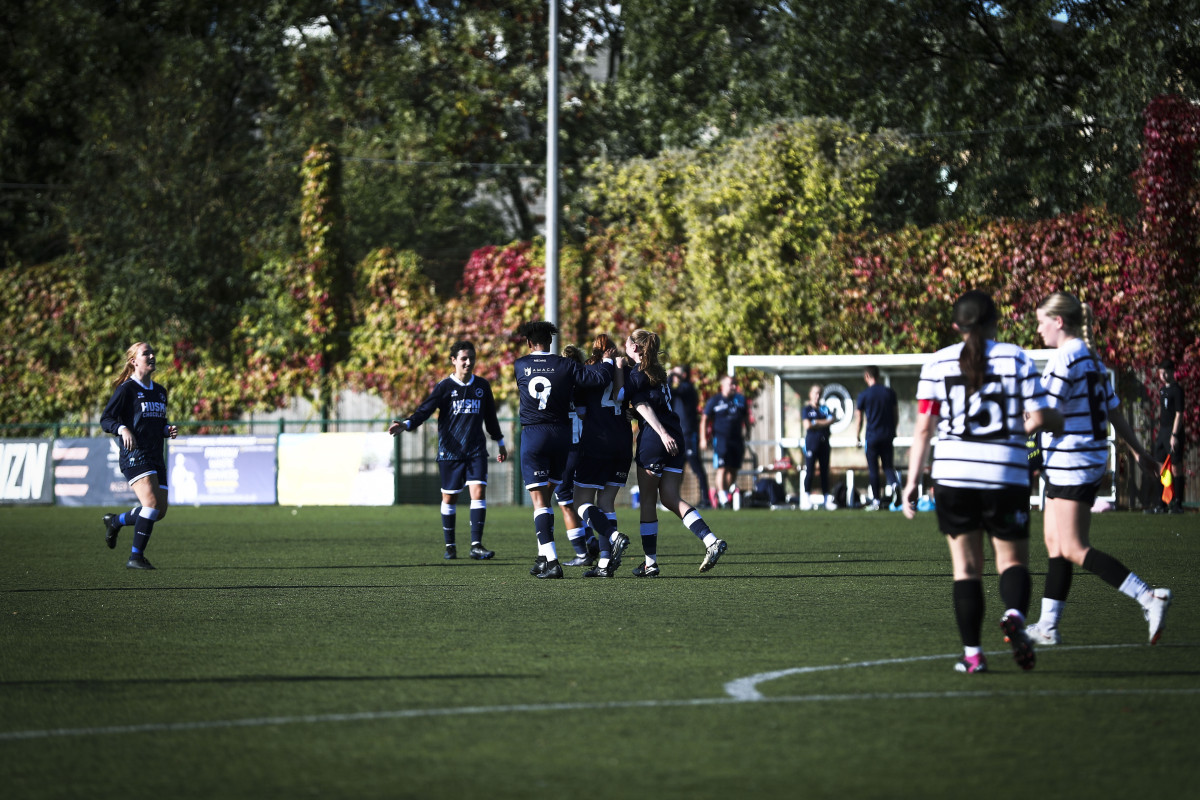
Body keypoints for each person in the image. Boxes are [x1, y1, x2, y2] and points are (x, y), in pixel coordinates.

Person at [901, 291, 1061, 674]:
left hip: (953, 476)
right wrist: (1061, 420)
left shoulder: (936, 363)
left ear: (956, 326)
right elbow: (1040, 416)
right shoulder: (1016, 357)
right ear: (995, 323)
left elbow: (924, 429)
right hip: (1005, 473)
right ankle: (1014, 617)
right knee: (1013, 562)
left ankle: (972, 655)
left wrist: (911, 482)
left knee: (966, 569)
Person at [1024, 292, 1173, 646]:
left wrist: (1004, 434)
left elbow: (1044, 414)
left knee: (1074, 547)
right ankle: (1047, 626)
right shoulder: (1089, 357)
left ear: (1059, 322)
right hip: (1079, 460)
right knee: (1055, 544)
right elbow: (1114, 410)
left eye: (1042, 321)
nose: (1039, 328)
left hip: (1072, 461)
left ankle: (1149, 598)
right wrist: (1138, 453)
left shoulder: (1066, 359)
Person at [514, 321, 616, 579]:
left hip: (534, 433)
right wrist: (606, 360)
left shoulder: (520, 365)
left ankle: (552, 561)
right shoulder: (566, 365)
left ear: (528, 343)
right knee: (548, 498)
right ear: (551, 341)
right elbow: (598, 379)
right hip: (561, 436)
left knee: (539, 502)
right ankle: (542, 557)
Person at [389, 339, 507, 561]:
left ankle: (476, 545)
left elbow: (490, 418)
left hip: (476, 451)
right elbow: (425, 410)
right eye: (463, 358)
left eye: (471, 358)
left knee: (478, 493)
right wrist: (406, 424)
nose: (468, 362)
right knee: (449, 499)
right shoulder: (444, 387)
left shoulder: (482, 386)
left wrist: (500, 442)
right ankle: (450, 545)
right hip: (450, 452)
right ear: (453, 361)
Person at [625, 329, 727, 576]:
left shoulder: (636, 374)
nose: (625, 346)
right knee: (670, 497)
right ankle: (710, 540)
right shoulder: (659, 372)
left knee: (648, 502)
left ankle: (650, 563)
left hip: (656, 439)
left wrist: (659, 433)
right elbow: (650, 405)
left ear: (636, 349)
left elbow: (642, 404)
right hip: (676, 436)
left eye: (627, 343)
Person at [100, 342, 179, 570]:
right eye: (146, 353)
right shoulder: (126, 390)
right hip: (135, 455)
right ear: (134, 361)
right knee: (151, 505)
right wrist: (122, 428)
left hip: (156, 456)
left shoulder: (160, 391)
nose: (152, 356)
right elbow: (106, 419)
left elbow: (157, 424)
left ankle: (115, 521)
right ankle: (136, 557)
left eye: (153, 352)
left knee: (158, 512)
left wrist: (167, 430)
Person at [572, 334, 635, 578]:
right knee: (606, 502)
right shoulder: (626, 371)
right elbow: (628, 398)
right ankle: (605, 563)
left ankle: (613, 536)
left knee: (580, 503)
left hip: (597, 444)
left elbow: (581, 413)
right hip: (622, 443)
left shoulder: (589, 373)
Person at [555, 344, 600, 567]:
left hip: (567, 449)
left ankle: (582, 553)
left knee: (565, 501)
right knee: (582, 500)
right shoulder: (585, 385)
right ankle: (591, 538)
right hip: (586, 448)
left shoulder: (560, 386)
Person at [853, 366, 901, 510]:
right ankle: (895, 485)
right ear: (878, 376)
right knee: (887, 466)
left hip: (872, 437)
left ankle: (876, 500)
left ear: (867, 376)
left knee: (873, 469)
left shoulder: (864, 395)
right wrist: (892, 430)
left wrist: (857, 436)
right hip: (887, 436)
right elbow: (895, 415)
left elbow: (859, 418)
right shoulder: (889, 393)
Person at [701, 375, 751, 508]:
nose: (734, 386)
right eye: (731, 384)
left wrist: (748, 432)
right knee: (722, 468)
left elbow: (746, 417)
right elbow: (705, 419)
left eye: (735, 384)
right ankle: (723, 498)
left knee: (733, 469)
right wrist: (703, 439)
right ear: (723, 385)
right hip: (721, 439)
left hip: (737, 440)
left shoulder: (740, 400)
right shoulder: (715, 401)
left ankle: (723, 493)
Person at [669, 365, 712, 508]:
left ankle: (706, 500)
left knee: (696, 467)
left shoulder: (687, 388)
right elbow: (669, 393)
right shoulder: (677, 391)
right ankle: (673, 499)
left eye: (677, 373)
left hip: (688, 435)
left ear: (684, 375)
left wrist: (670, 378)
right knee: (677, 469)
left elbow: (675, 391)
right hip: (677, 435)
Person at [1150, 358, 1185, 513]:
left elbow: (1179, 414)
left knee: (1176, 467)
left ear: (1171, 372)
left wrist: (1174, 434)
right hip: (1162, 431)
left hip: (1173, 432)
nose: (1163, 376)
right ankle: (1161, 503)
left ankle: (1177, 504)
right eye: (1161, 373)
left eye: (1165, 372)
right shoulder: (1163, 390)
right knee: (1160, 467)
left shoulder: (1177, 390)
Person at [802, 384, 836, 510]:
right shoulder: (806, 410)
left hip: (824, 444)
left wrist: (816, 422)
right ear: (810, 394)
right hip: (811, 443)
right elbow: (808, 425)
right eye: (815, 393)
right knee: (810, 471)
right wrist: (823, 422)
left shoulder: (824, 409)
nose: (817, 396)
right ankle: (806, 497)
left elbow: (832, 419)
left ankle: (827, 498)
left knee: (824, 472)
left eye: (819, 393)